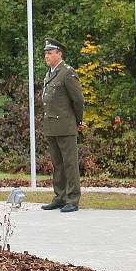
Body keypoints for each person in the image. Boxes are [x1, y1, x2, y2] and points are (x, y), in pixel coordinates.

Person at [40, 38, 86, 213]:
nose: (47, 56)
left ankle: (72, 199)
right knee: (57, 164)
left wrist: (78, 121)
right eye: (46, 53)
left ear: (60, 54)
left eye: (50, 53)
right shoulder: (50, 73)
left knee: (70, 164)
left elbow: (78, 100)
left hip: (66, 126)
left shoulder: (67, 73)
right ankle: (59, 197)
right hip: (52, 126)